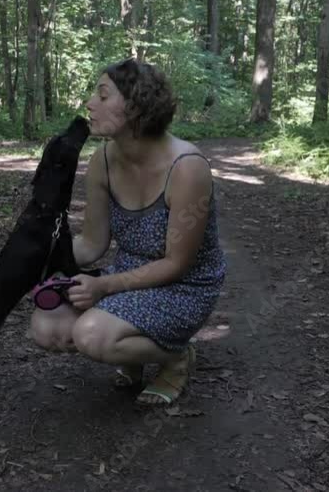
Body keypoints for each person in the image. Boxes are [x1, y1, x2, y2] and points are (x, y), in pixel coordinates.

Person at [29, 58, 227, 405]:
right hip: (128, 273)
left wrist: (102, 286)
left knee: (91, 335)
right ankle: (133, 349)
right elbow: (92, 245)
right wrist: (34, 257)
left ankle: (176, 357)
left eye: (103, 95)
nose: (90, 103)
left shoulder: (187, 167)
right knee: (45, 327)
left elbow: (176, 264)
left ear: (136, 106)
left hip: (184, 286)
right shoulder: (102, 161)